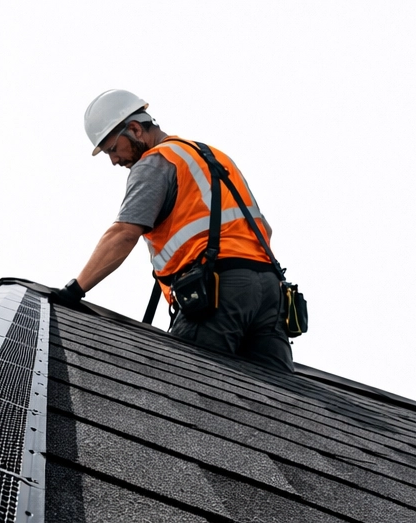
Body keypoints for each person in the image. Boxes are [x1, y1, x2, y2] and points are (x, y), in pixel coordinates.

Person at [50, 89, 293, 372]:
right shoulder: (215, 157)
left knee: (191, 388)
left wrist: (75, 290)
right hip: (270, 292)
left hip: (219, 290)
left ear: (135, 129)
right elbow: (265, 229)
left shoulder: (155, 161)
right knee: (274, 399)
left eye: (113, 149)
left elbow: (124, 233)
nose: (114, 160)